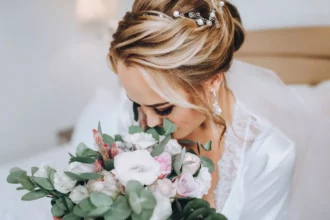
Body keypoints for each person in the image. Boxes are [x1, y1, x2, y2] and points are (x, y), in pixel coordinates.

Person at [107, 0, 308, 219]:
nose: (149, 123)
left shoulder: (268, 155)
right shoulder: (130, 114)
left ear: (212, 82)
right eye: (137, 103)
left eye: (163, 109)